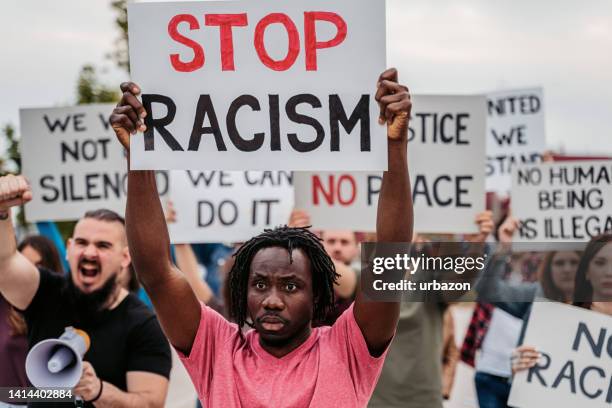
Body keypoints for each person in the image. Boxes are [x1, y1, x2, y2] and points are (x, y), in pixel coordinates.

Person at [110, 67, 413, 407]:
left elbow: (390, 260)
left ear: (318, 297)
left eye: (291, 286)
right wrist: (139, 157)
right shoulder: (217, 348)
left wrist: (395, 145)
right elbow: (156, 272)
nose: (271, 299)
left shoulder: (347, 349)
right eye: (259, 284)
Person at [0, 194, 172, 407]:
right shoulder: (43, 292)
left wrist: (99, 391)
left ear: (125, 258)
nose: (90, 252)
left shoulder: (143, 325)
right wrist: (3, 211)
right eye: (82, 243)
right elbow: (5, 262)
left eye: (103, 245)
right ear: (69, 249)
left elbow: (150, 404)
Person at [369, 211, 494, 408]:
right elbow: (340, 277)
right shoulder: (365, 276)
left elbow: (456, 286)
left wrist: (476, 247)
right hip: (373, 399)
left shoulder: (429, 277)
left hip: (422, 399)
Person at [512, 233, 612, 374]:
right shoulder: (553, 319)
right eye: (600, 263)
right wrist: (520, 368)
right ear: (586, 271)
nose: (609, 272)